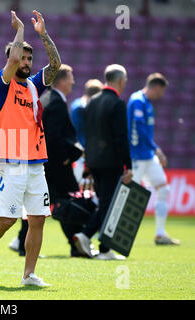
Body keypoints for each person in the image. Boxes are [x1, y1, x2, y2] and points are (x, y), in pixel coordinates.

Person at [0, 10, 61, 287]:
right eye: (23, 57)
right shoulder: (1, 84)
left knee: (38, 220)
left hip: (36, 162)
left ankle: (28, 275)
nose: (26, 62)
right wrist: (20, 30)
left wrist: (42, 34)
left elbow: (56, 64)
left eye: (30, 58)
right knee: (6, 221)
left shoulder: (32, 86)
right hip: (11, 162)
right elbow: (12, 58)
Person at [73, 64, 133, 260]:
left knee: (106, 202)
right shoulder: (117, 104)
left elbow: (88, 136)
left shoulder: (91, 102)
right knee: (110, 203)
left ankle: (98, 244)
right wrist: (128, 166)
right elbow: (121, 138)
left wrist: (89, 164)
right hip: (111, 162)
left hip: (94, 161)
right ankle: (92, 239)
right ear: (121, 81)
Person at [43, 64, 93, 258]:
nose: (73, 81)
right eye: (71, 77)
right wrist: (64, 158)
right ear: (62, 80)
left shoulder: (47, 98)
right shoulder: (55, 102)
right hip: (58, 166)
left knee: (41, 203)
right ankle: (76, 244)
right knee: (71, 202)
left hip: (47, 165)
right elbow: (53, 136)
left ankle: (22, 243)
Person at [127, 73, 179, 245]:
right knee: (127, 195)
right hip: (136, 156)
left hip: (147, 156)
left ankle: (160, 234)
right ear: (156, 87)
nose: (162, 95)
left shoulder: (146, 103)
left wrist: (153, 150)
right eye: (161, 91)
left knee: (163, 189)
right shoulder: (137, 101)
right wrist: (157, 149)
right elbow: (139, 130)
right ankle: (105, 231)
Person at [70, 79, 103, 182]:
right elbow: (73, 133)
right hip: (81, 155)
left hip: (91, 154)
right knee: (79, 183)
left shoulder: (79, 105)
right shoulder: (78, 109)